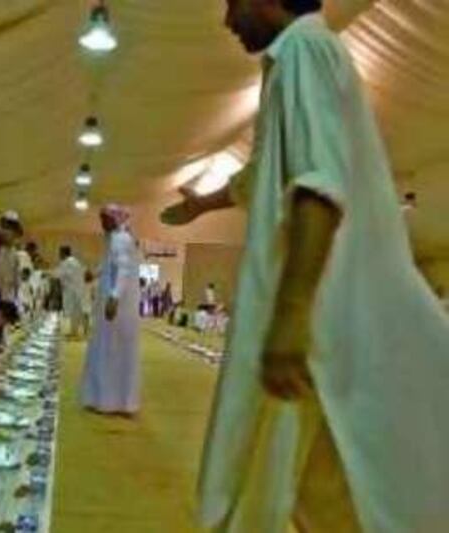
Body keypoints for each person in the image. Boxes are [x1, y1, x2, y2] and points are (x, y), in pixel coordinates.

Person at [160, 1, 449, 531]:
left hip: (328, 320)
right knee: (324, 494)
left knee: (352, 490)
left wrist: (290, 320)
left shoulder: (304, 51)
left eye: (233, 3)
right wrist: (204, 204)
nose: (228, 20)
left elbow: (320, 186)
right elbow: (263, 172)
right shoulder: (298, 58)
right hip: (330, 320)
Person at [81, 205, 141, 416]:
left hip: (117, 307)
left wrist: (114, 297)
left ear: (114, 219)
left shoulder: (120, 239)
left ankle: (108, 401)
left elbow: (123, 269)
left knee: (111, 351)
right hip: (117, 306)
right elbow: (109, 264)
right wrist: (95, 274)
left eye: (104, 218)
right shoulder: (116, 238)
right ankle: (117, 401)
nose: (101, 223)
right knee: (113, 351)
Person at [54, 246, 87, 338]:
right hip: (77, 289)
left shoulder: (67, 262)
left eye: (60, 253)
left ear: (63, 253)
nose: (59, 255)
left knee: (76, 312)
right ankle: (75, 331)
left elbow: (59, 274)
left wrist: (49, 274)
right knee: (77, 312)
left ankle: (78, 332)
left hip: (72, 290)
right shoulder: (75, 261)